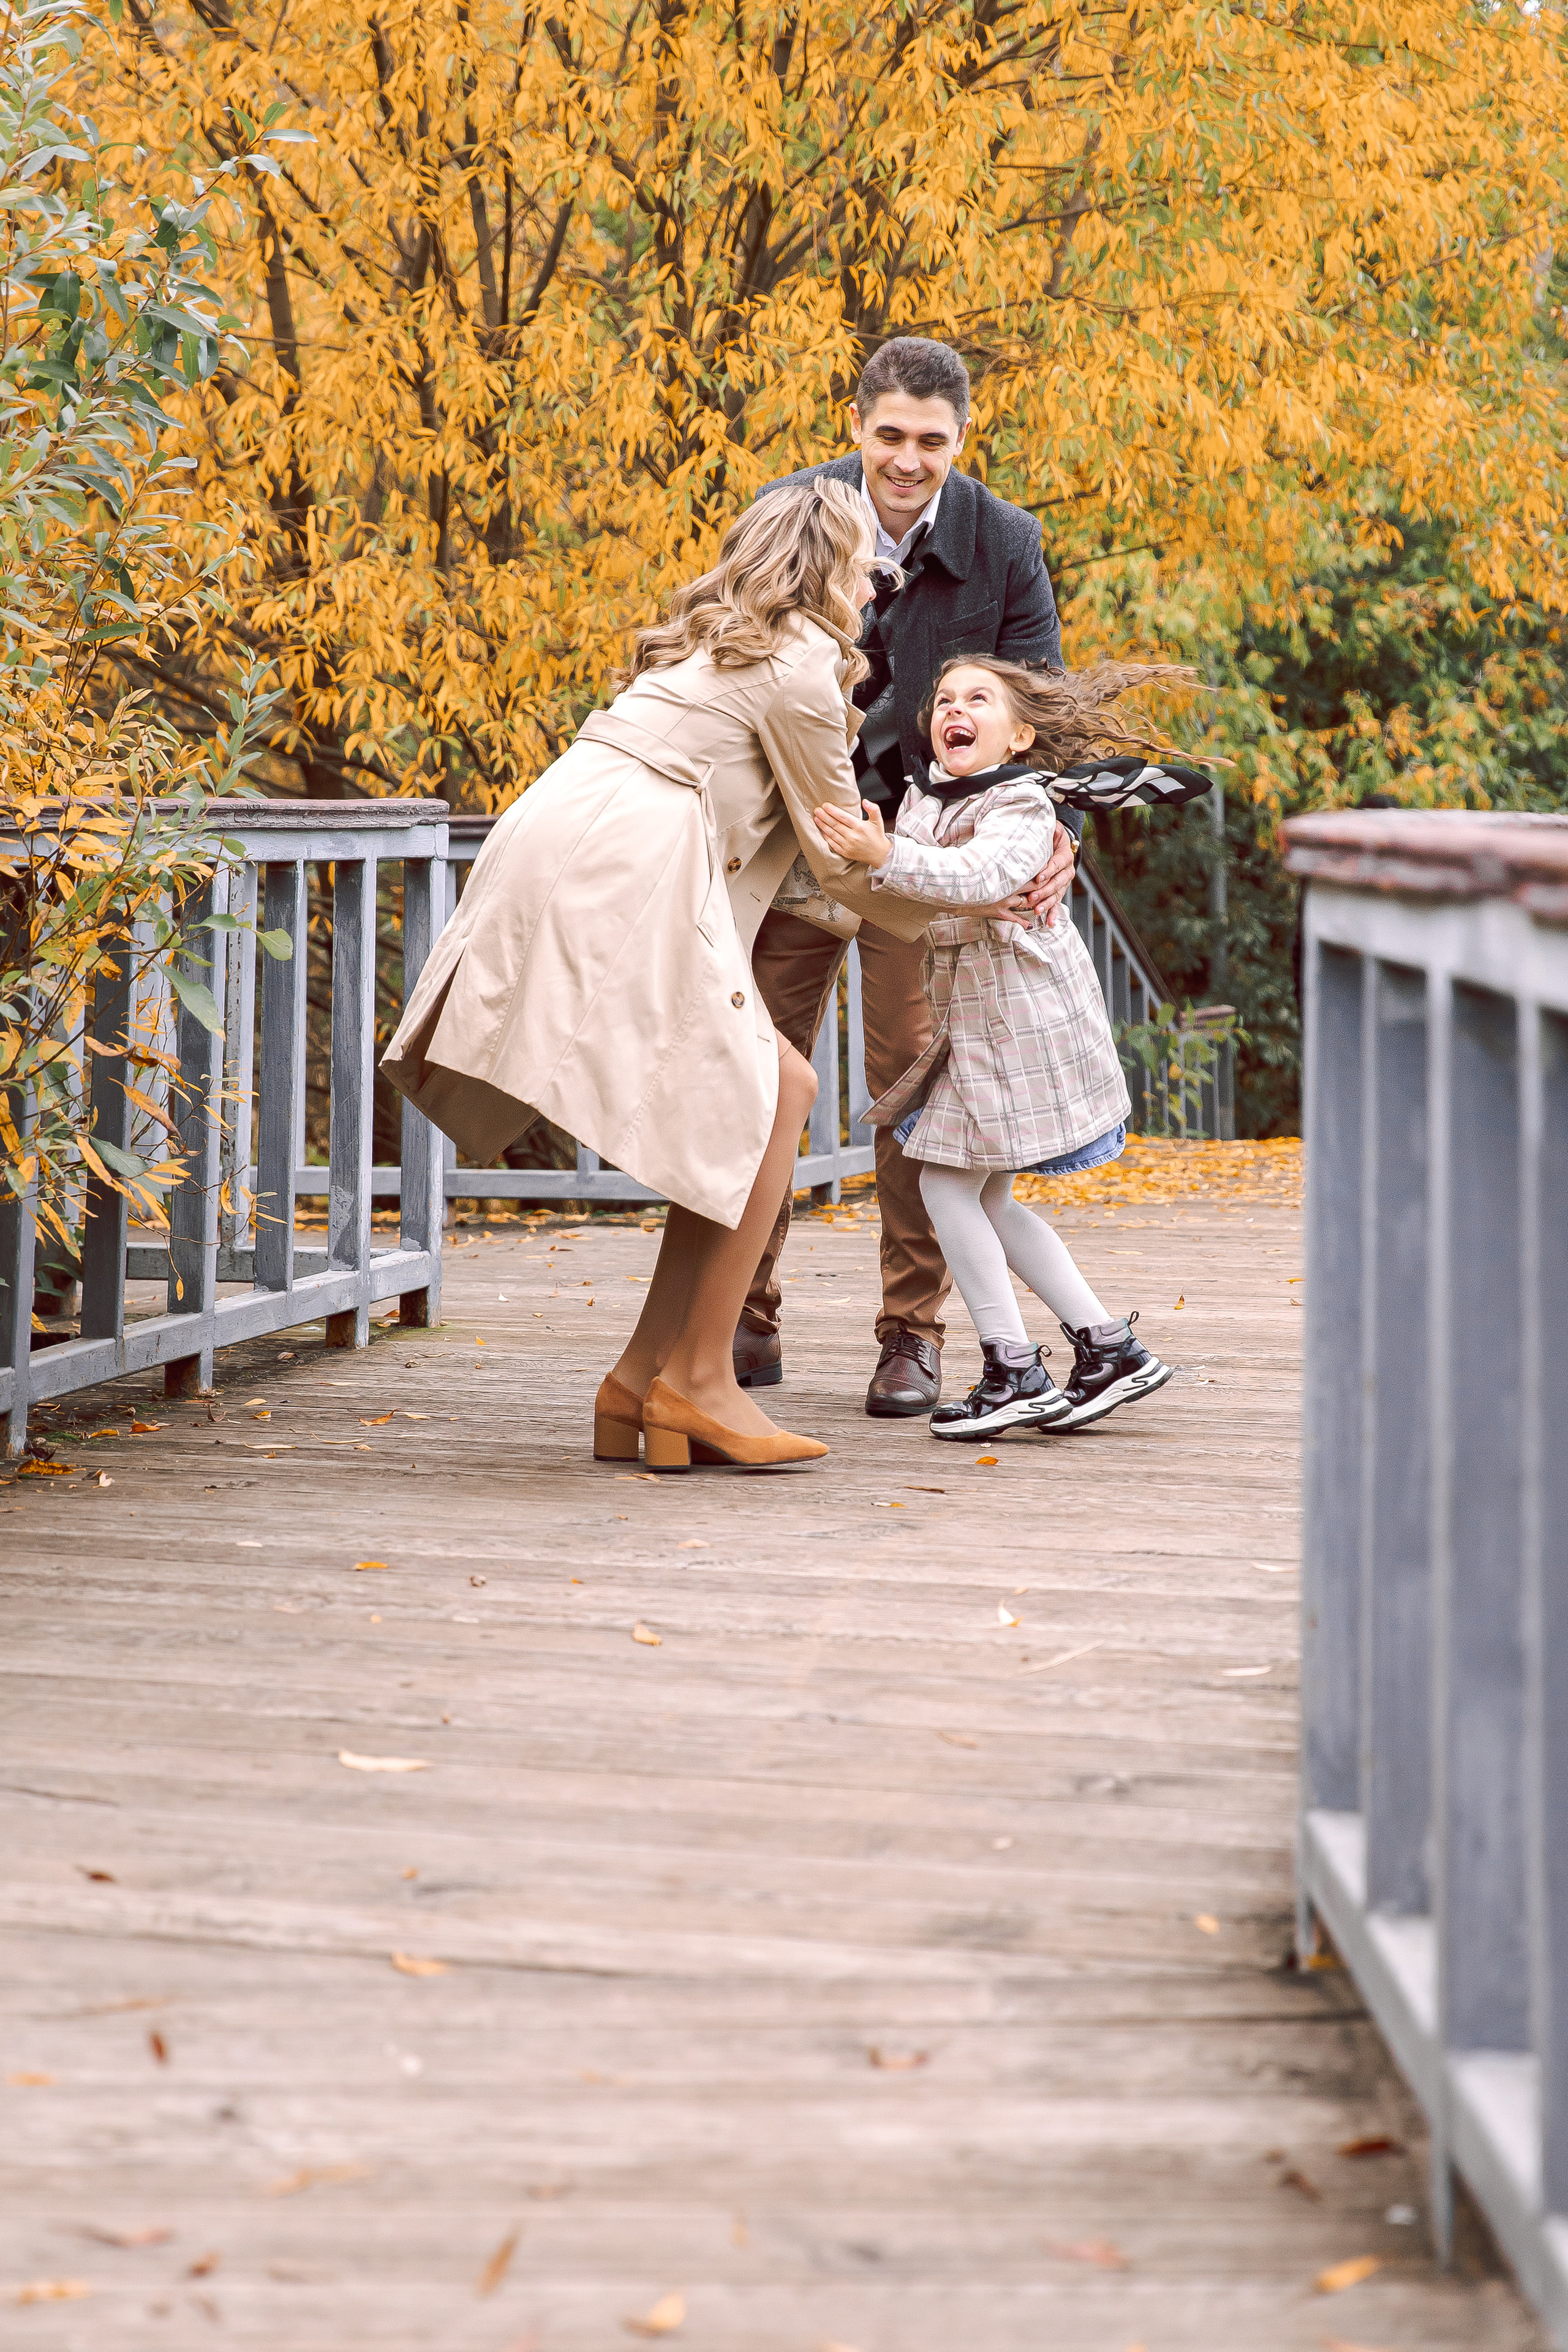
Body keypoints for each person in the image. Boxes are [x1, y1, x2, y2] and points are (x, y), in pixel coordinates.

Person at [381, 481, 942, 1472]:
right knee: (784, 1088)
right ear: (826, 568)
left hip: (564, 835)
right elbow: (842, 853)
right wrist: (972, 900)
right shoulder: (806, 663)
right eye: (866, 567)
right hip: (629, 865)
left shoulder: (710, 643)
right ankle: (697, 1383)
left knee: (757, 1091)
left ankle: (643, 1380)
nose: (872, 586)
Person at [742, 334, 1082, 1419]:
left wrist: (1054, 833)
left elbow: (1046, 712)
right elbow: (731, 666)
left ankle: (911, 1333)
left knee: (922, 1095)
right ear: (855, 428)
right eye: (889, 435)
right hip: (797, 837)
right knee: (754, 1074)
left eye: (932, 441)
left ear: (960, 440)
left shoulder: (1004, 541)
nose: (908, 460)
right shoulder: (790, 513)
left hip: (923, 856)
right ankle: (742, 1309)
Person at [815, 653, 1213, 1439]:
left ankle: (1014, 1366)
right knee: (982, 1194)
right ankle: (1107, 1348)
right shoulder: (927, 798)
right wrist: (886, 862)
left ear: (1020, 734)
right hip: (980, 1026)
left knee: (946, 1187)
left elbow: (973, 875)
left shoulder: (1022, 804)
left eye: (977, 699)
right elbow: (929, 899)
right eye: (942, 700)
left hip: (1024, 1026)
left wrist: (887, 860)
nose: (952, 709)